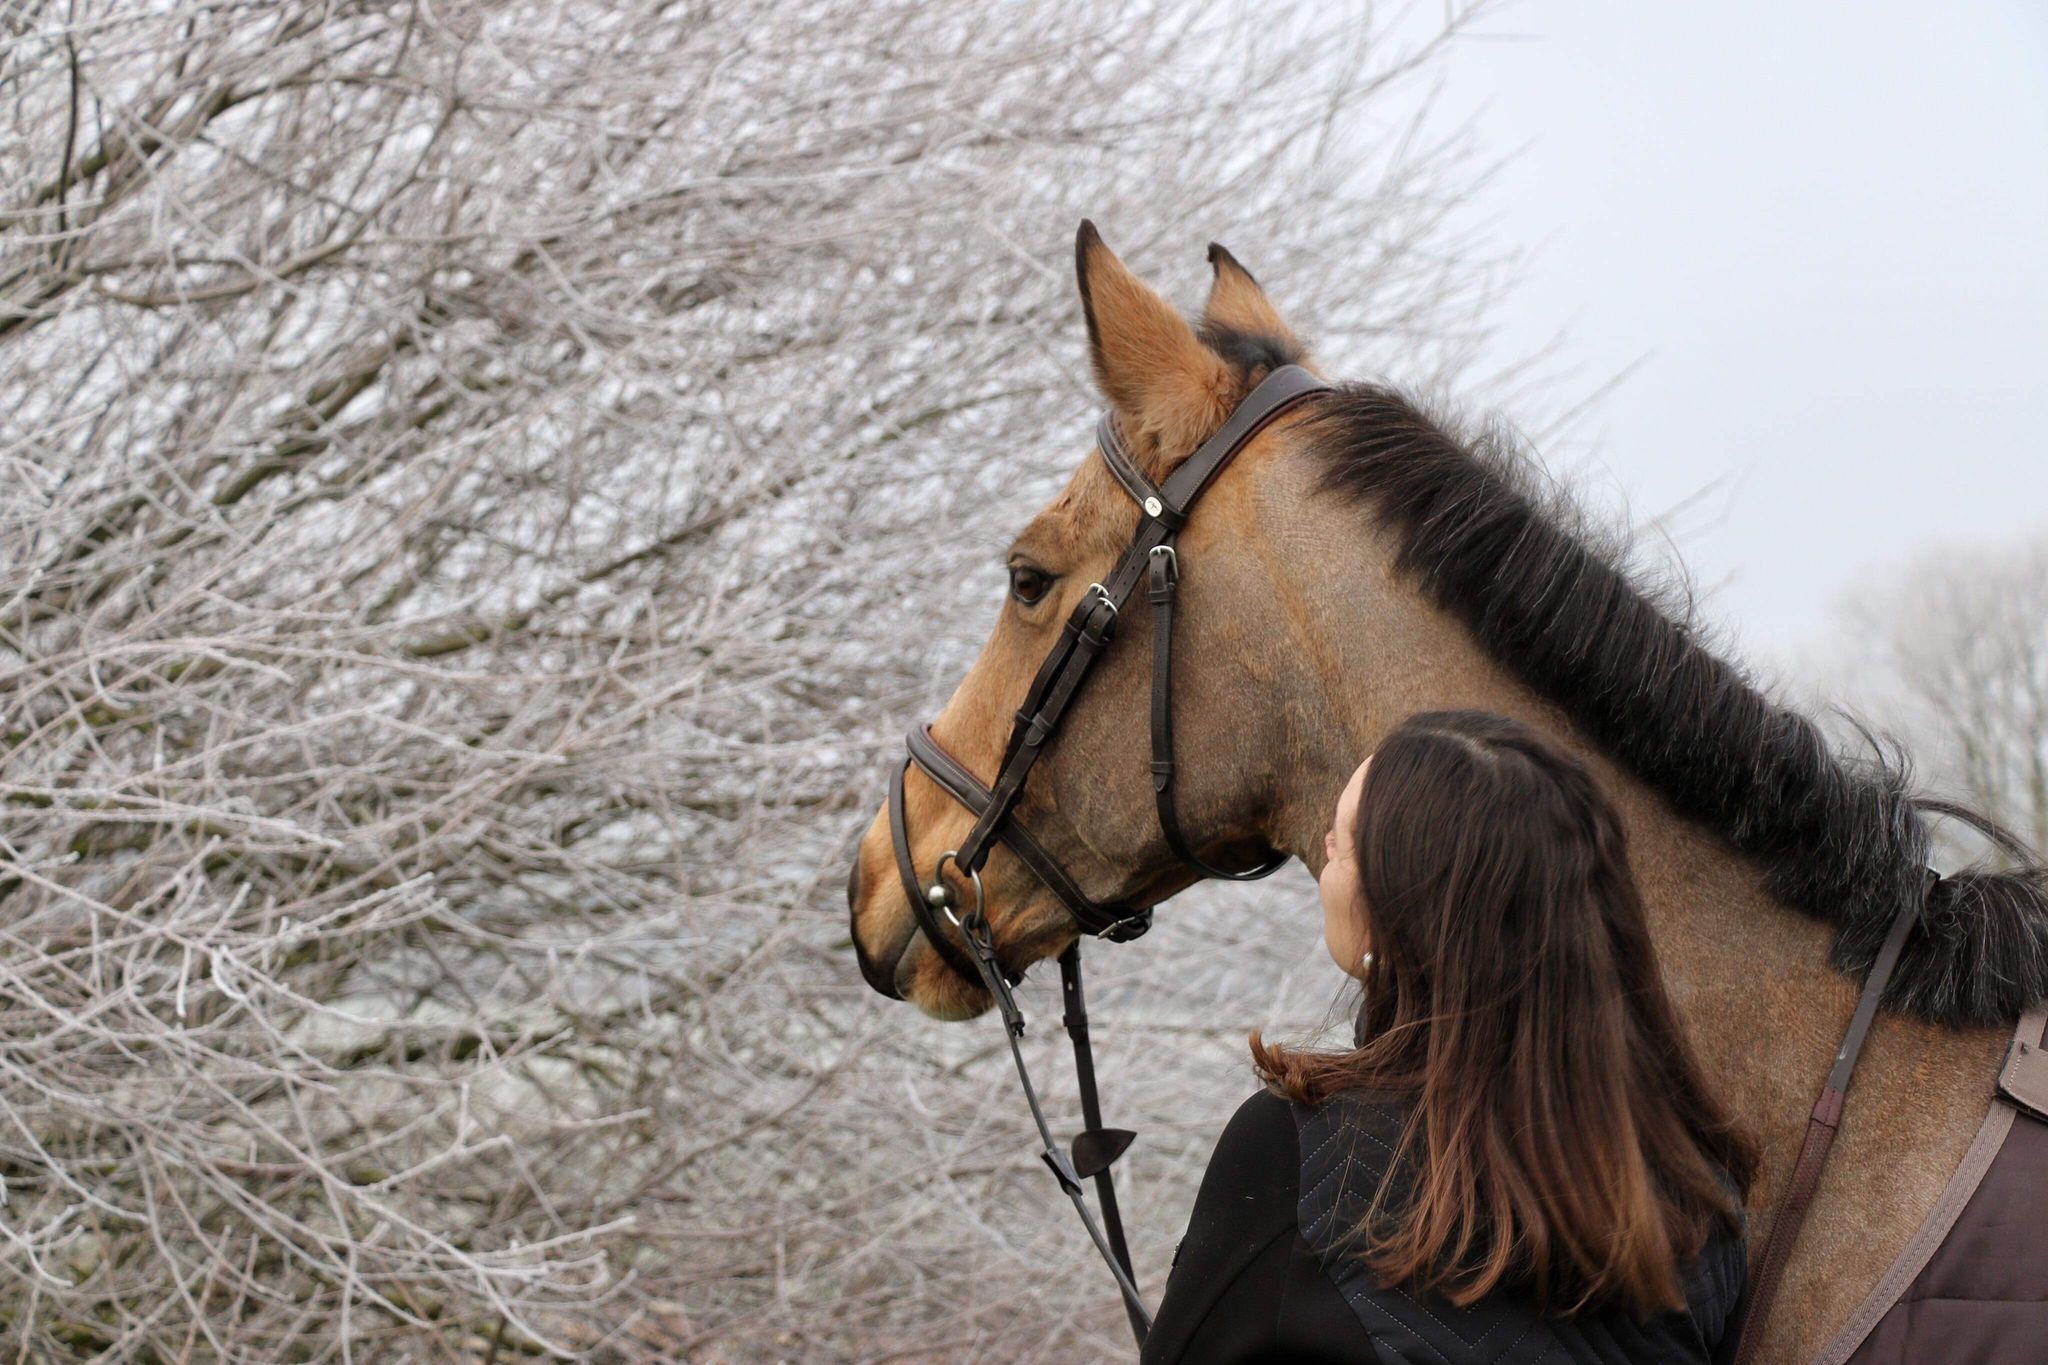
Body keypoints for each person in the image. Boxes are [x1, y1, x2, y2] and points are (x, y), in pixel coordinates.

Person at [1140, 710, 1756, 1364]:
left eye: (1344, 842)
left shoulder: (1299, 1151)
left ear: (1406, 911)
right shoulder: (1701, 1203)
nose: (1322, 851)